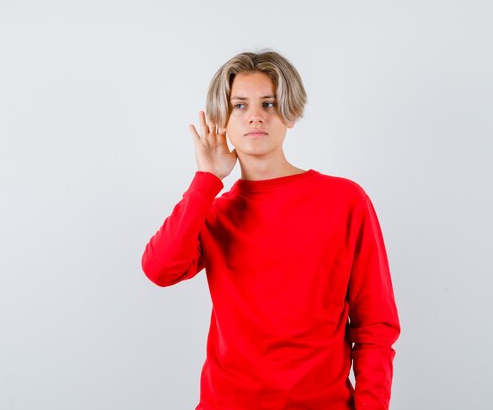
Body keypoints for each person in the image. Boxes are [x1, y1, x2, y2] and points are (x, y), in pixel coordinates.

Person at [141, 49, 401, 410]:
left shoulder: (345, 201)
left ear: (290, 114)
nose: (255, 117)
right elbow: (160, 269)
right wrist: (206, 180)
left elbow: (375, 327)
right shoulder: (212, 212)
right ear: (222, 120)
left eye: (269, 103)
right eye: (240, 106)